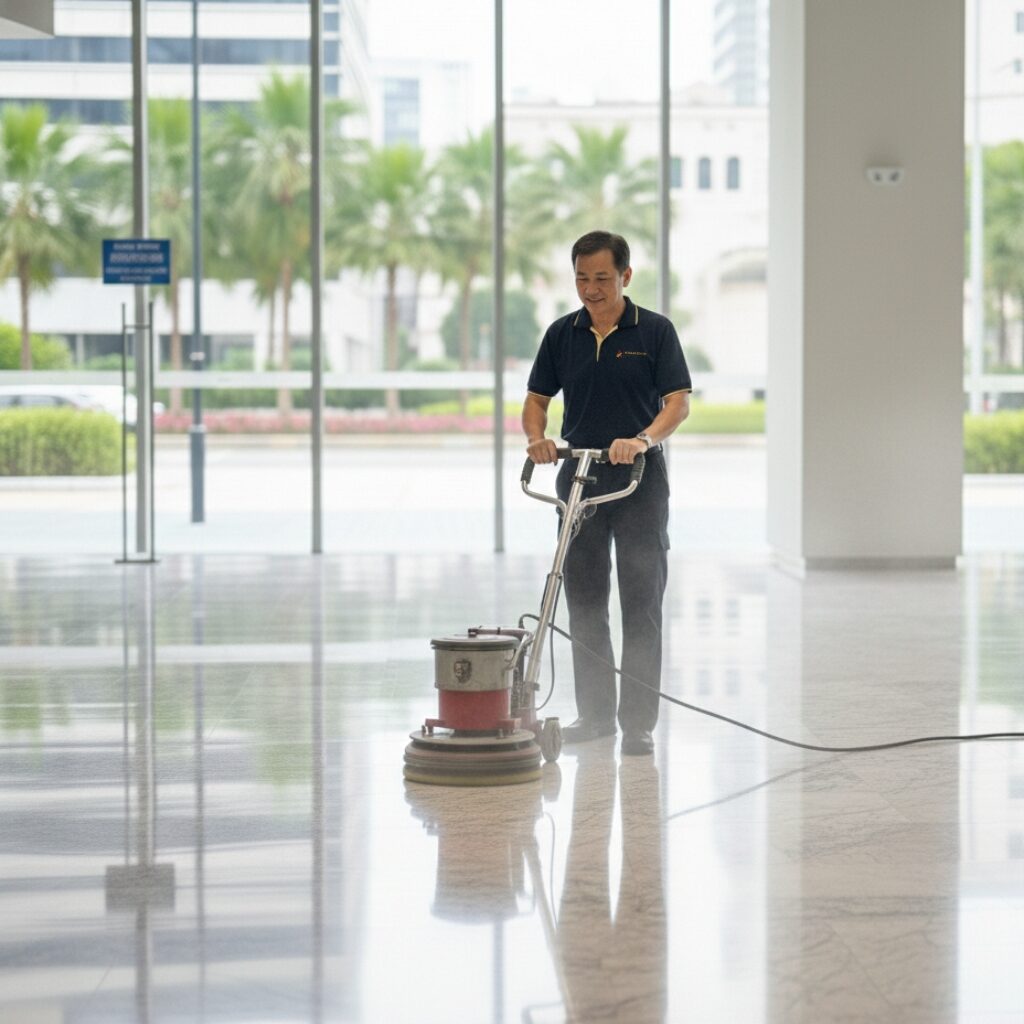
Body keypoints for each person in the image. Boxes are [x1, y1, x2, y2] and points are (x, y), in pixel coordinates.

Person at [522, 230, 691, 756]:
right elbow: (536, 400)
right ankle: (595, 717)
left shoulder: (655, 331)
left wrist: (641, 439)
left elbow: (678, 404)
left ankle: (638, 724)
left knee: (641, 604)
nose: (590, 289)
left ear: (625, 276)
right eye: (581, 278)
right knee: (585, 602)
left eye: (601, 278)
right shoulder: (562, 334)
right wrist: (537, 439)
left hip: (639, 480)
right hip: (580, 477)